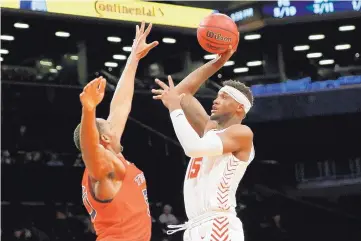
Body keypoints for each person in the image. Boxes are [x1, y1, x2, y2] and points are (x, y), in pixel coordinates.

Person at [152, 44, 255, 241]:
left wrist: (175, 109)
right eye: (217, 95)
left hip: (219, 224)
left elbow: (192, 148)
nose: (215, 100)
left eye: (224, 97)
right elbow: (181, 93)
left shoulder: (242, 134)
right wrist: (218, 62)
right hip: (194, 226)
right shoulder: (211, 130)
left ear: (240, 108)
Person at [73, 21, 158, 241]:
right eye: (109, 125)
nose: (115, 124)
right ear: (103, 137)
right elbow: (89, 148)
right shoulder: (103, 169)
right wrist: (88, 111)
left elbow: (120, 105)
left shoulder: (111, 151)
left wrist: (134, 58)